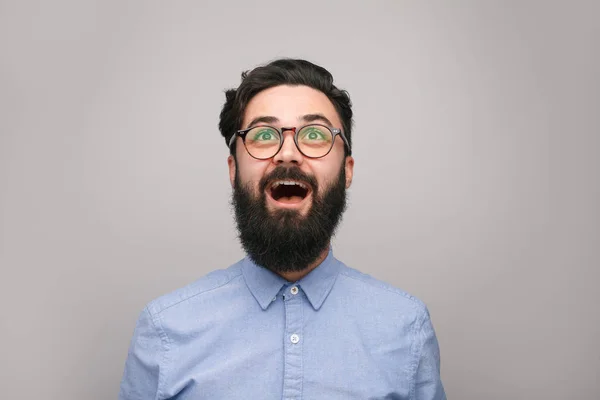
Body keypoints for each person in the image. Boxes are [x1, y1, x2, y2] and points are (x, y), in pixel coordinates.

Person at [118, 58, 446, 400]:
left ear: (347, 171)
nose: (287, 153)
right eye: (262, 135)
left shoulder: (407, 329)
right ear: (233, 170)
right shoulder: (165, 330)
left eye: (316, 134)